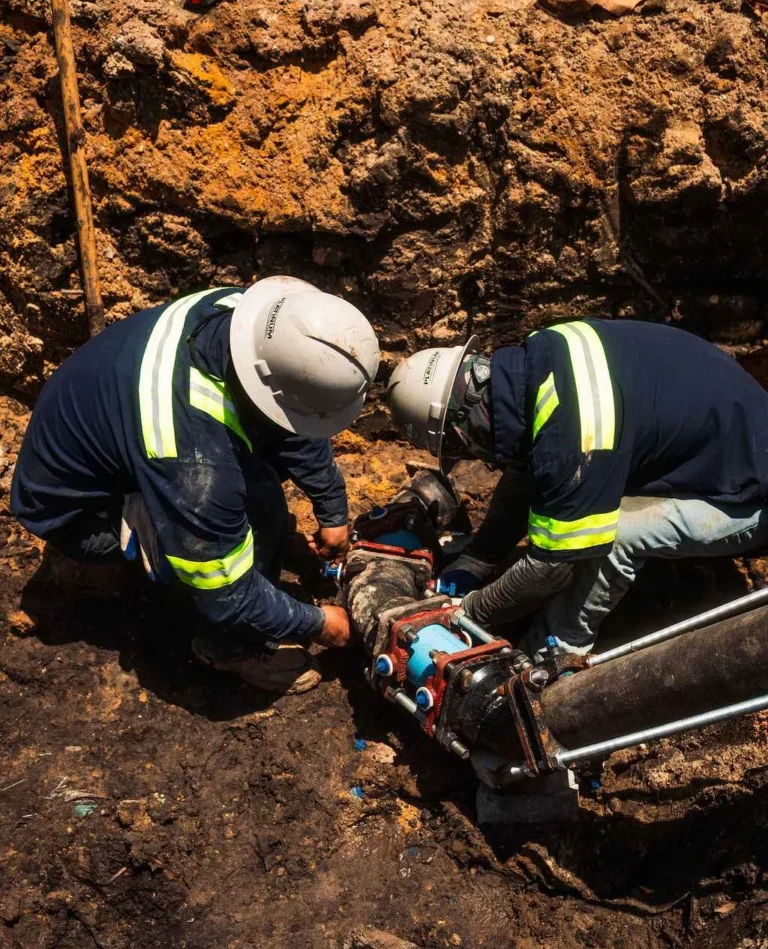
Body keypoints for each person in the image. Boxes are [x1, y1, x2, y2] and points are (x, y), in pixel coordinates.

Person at [12, 277, 380, 693]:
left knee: (249, 489)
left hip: (108, 429)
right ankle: (230, 648)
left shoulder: (253, 319)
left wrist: (332, 509)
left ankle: (246, 550)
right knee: (234, 531)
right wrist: (320, 625)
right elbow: (225, 591)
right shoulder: (193, 462)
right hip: (75, 514)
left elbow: (292, 418)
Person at [387, 318, 768, 660]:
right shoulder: (541, 353)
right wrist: (480, 558)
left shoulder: (576, 439)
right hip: (727, 428)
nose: (479, 459)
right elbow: (531, 463)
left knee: (613, 537)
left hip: (747, 493)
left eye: (460, 447)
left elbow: (552, 568)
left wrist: (467, 615)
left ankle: (554, 654)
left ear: (460, 425)